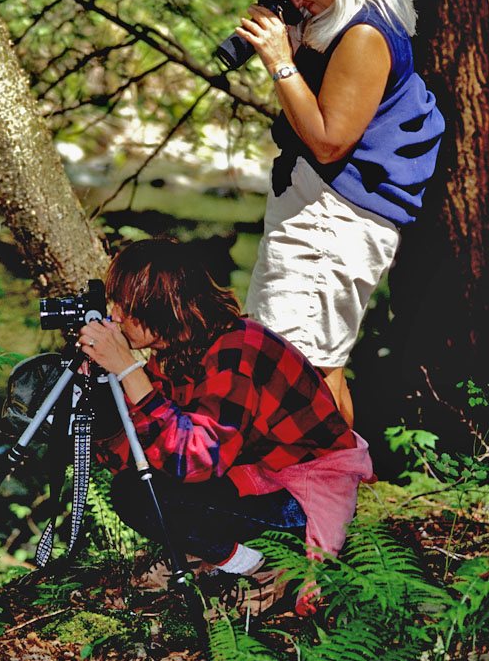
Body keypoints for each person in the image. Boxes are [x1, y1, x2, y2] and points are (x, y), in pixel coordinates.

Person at [78, 237, 373, 619]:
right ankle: (210, 554)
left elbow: (196, 460)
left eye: (125, 306)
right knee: (136, 488)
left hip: (302, 501)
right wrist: (103, 398)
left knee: (139, 495)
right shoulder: (177, 352)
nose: (114, 316)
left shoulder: (238, 349)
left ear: (161, 306)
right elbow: (136, 452)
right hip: (259, 480)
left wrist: (129, 372)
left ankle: (262, 566)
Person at [235, 0, 445, 427]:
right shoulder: (338, 15)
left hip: (335, 215)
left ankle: (331, 495)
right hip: (319, 206)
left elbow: (329, 141)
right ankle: (326, 492)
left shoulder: (365, 33)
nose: (296, 2)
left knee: (304, 367)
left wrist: (281, 61)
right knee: (299, 358)